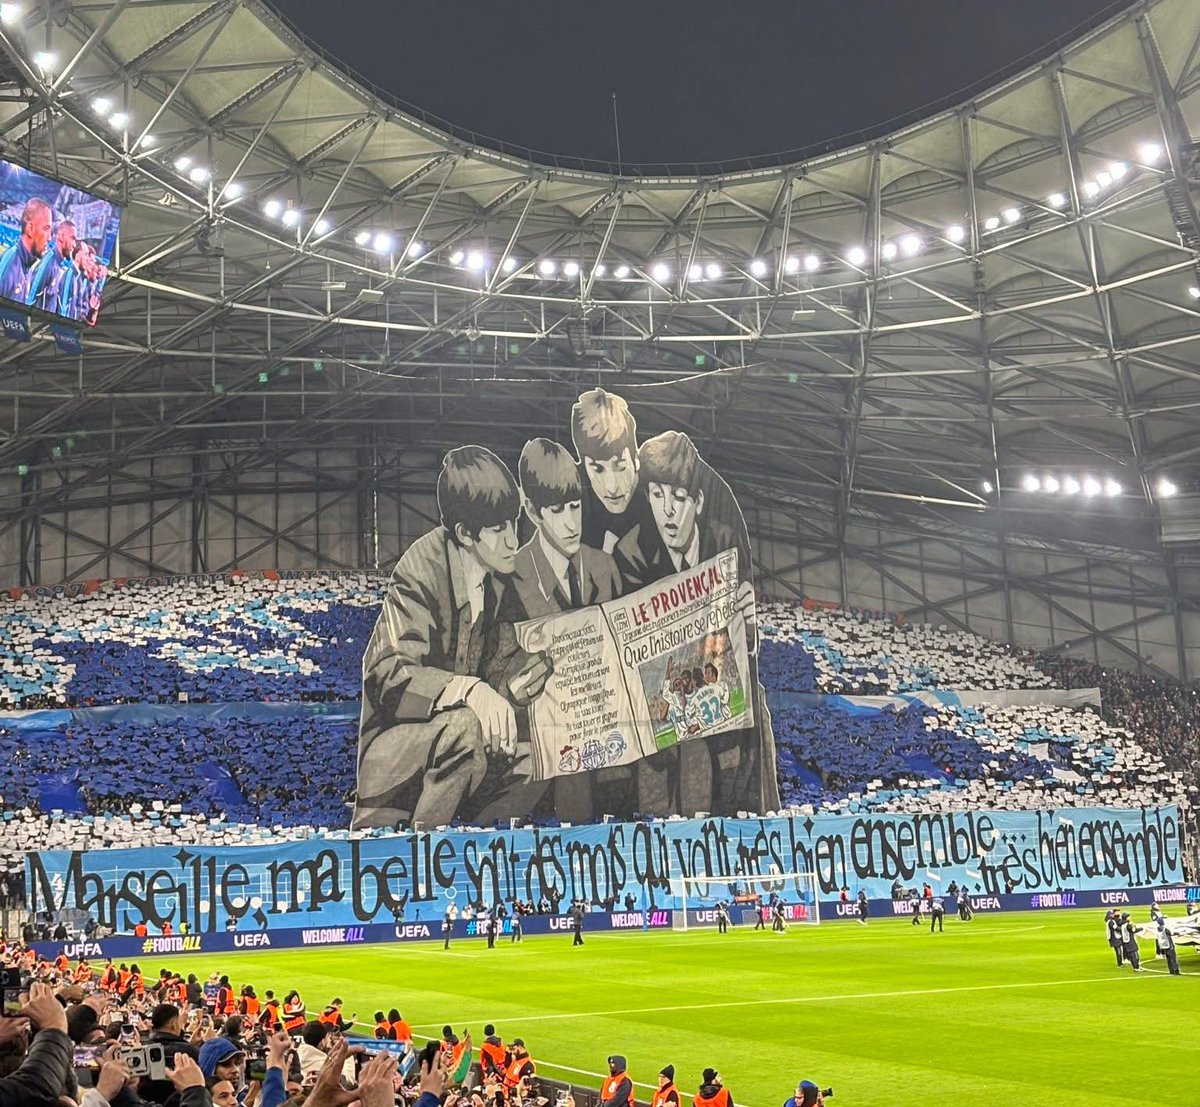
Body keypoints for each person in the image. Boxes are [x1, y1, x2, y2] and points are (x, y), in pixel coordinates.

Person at [354, 446, 552, 829]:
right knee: (465, 726)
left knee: (539, 752)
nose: (513, 541)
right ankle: (425, 858)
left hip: (461, 754)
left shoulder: (500, 580)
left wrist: (515, 689)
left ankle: (480, 853)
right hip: (396, 754)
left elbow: (498, 682)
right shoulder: (421, 568)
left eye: (513, 524)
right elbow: (386, 676)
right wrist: (468, 690)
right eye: (498, 531)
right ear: (464, 533)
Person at [0, 197, 51, 305]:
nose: (50, 238)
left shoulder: (28, 266)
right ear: (30, 228)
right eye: (46, 229)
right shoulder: (9, 266)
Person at [26, 217, 74, 314]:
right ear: (60, 236)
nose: (74, 244)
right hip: (36, 323)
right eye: (72, 238)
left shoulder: (57, 264)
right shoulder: (48, 263)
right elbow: (30, 297)